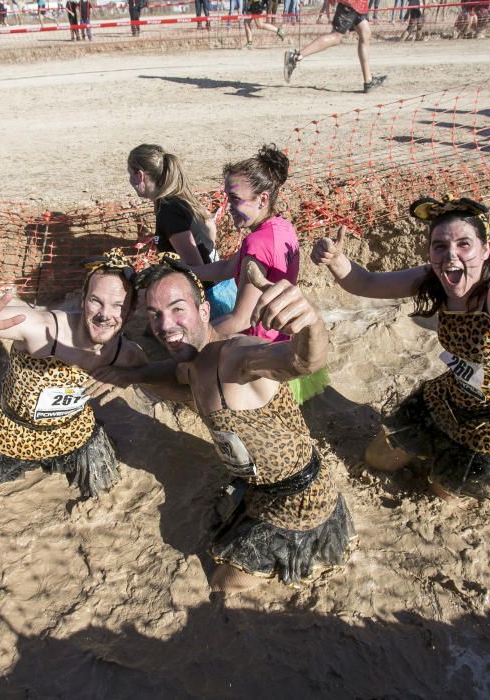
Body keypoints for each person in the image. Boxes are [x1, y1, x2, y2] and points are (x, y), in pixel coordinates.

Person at [310, 196, 490, 506]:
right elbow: (367, 284)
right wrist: (336, 260)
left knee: (444, 494)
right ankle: (433, 450)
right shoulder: (433, 278)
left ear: (485, 249)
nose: (451, 255)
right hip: (449, 399)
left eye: (464, 244)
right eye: (440, 246)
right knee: (377, 459)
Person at [131, 254, 356, 592]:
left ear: (204, 311)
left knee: (224, 585)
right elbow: (169, 382)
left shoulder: (238, 355)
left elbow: (301, 360)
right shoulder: (191, 364)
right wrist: (114, 366)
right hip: (259, 487)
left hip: (299, 500)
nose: (165, 325)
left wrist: (310, 323)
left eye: (178, 309)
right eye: (155, 315)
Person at [0, 250, 148, 499]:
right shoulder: (40, 327)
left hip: (74, 431)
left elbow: (152, 375)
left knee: (103, 489)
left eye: (118, 306)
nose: (104, 314)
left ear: (132, 310)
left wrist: (124, 377)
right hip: (16, 432)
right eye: (96, 301)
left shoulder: (127, 355)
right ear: (83, 298)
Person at [191, 145, 296, 341]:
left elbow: (241, 320)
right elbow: (228, 268)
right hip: (281, 338)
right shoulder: (283, 227)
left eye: (235, 199)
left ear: (262, 199)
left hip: (258, 347)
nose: (228, 207)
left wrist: (193, 339)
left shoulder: (257, 243)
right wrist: (186, 272)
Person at [126, 144, 236, 319]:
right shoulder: (179, 198)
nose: (130, 181)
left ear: (140, 175)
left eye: (130, 174)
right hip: (224, 289)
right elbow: (209, 226)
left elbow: (193, 267)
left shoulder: (169, 210)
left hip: (212, 299)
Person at [283, 0, 386, 93]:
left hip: (360, 5)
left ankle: (368, 81)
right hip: (351, 4)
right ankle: (296, 57)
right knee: (336, 36)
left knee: (365, 33)